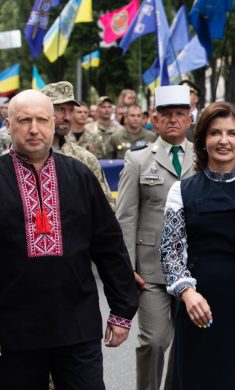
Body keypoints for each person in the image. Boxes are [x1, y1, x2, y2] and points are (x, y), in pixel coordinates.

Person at [0, 89, 138, 389]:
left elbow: (109, 245)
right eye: (24, 120)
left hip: (77, 327)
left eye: (41, 120)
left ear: (53, 123)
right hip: (13, 333)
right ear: (8, 125)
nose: (34, 129)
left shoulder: (79, 175)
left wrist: (122, 310)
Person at [160, 102, 235, 390]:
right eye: (215, 133)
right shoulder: (181, 190)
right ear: (202, 141)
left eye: (232, 134)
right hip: (197, 300)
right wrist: (187, 294)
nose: (223, 141)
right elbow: (171, 251)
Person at [116, 85, 195, 390]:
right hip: (151, 270)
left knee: (187, 344)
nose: (173, 120)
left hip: (193, 267)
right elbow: (125, 217)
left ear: (189, 119)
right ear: (155, 120)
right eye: (166, 115)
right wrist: (126, 268)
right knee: (154, 340)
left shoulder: (203, 158)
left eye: (180, 114)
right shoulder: (137, 160)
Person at [41, 81, 115, 209]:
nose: (68, 117)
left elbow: (106, 208)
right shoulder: (21, 156)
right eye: (60, 109)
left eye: (71, 110)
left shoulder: (84, 159)